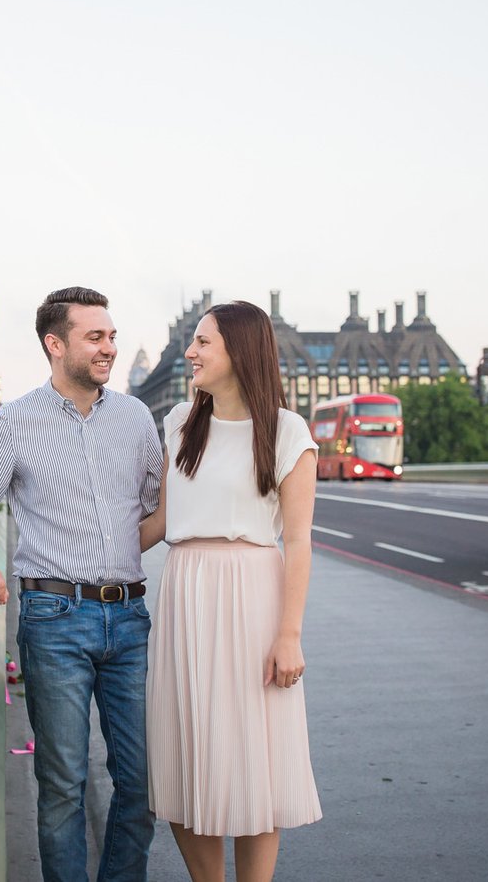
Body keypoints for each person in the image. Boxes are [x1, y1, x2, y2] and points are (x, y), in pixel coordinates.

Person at [0, 286, 163, 882]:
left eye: (112, 336)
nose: (109, 348)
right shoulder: (12, 423)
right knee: (62, 785)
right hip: (53, 619)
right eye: (95, 337)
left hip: (131, 619)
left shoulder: (138, 419)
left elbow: (156, 507)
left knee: (141, 782)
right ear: (54, 344)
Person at [140, 300, 322, 882]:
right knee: (186, 755)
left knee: (253, 761)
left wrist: (288, 635)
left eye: (202, 343)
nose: (190, 353)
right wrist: (74, 557)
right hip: (185, 595)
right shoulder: (177, 422)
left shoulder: (288, 433)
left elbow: (298, 543)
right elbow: (161, 522)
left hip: (252, 599)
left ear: (238, 352)